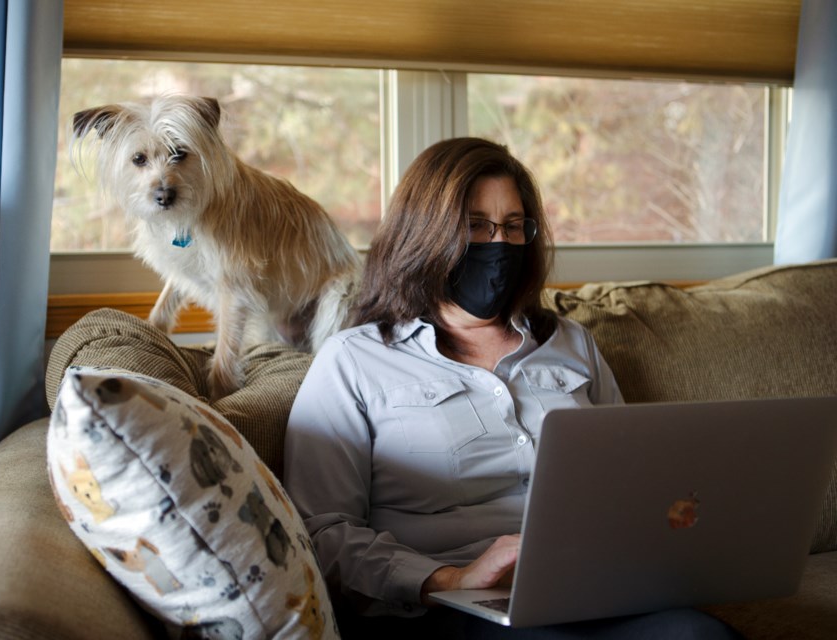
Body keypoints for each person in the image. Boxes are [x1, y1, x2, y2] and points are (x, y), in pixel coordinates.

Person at [283, 138, 742, 639]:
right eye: (475, 225)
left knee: (702, 636)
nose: (498, 243)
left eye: (513, 225)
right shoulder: (353, 360)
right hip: (448, 605)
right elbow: (320, 534)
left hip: (585, 585)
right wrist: (450, 578)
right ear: (425, 233)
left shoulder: (572, 343)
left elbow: (629, 483)